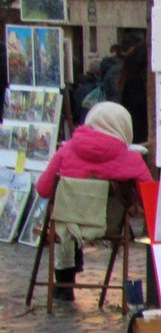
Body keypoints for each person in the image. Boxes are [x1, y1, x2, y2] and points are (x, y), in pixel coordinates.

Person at [36, 102, 153, 299]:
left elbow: (43, 189)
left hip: (69, 225)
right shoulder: (132, 160)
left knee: (62, 216)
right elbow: (149, 201)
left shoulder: (66, 151)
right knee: (65, 217)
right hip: (107, 226)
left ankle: (63, 281)